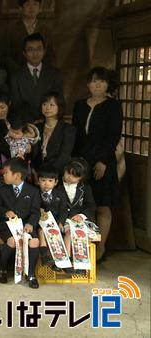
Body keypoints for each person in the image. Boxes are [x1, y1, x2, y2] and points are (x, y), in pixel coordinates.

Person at [72, 67, 121, 261]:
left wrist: (102, 161)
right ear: (88, 84)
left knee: (103, 205)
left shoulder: (113, 106)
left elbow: (113, 136)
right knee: (82, 205)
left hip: (103, 162)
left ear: (107, 84)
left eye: (101, 81)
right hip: (81, 162)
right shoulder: (79, 105)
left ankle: (100, 249)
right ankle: (82, 249)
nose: (97, 84)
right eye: (93, 81)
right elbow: (75, 134)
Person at [0, 158, 41, 288]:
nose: (3, 175)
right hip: (7, 226)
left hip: (26, 226)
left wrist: (31, 223)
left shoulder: (33, 191)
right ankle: (2, 269)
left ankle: (31, 274)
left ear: (17, 175)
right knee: (12, 241)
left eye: (6, 172)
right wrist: (5, 212)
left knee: (34, 241)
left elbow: (35, 212)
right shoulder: (2, 189)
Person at [10, 33, 64, 123]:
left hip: (49, 123)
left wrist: (45, 120)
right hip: (26, 125)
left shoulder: (55, 74)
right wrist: (31, 122)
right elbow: (16, 105)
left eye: (39, 49)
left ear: (44, 51)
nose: (35, 53)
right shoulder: (16, 76)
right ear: (24, 53)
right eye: (30, 49)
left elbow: (60, 102)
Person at [56, 158, 97, 269]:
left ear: (81, 177)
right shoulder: (55, 184)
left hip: (80, 221)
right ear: (64, 170)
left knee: (73, 232)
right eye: (68, 173)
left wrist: (81, 215)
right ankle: (66, 261)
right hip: (63, 220)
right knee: (67, 232)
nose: (70, 177)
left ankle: (73, 263)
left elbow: (91, 206)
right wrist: (59, 221)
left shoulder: (85, 188)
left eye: (75, 176)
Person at [3, 0, 55, 72]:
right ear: (21, 8)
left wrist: (40, 71)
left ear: (40, 8)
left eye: (35, 4)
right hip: (17, 74)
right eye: (28, 4)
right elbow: (6, 56)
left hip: (41, 74)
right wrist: (20, 72)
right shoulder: (11, 29)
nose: (32, 8)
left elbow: (50, 55)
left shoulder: (45, 30)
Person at [32, 91, 75, 175]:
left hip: (57, 174)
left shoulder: (68, 129)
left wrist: (46, 173)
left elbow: (64, 156)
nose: (47, 108)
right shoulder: (36, 127)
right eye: (44, 104)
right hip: (36, 173)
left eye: (52, 105)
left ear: (60, 107)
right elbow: (33, 154)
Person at [36, 165, 68, 271]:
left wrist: (60, 222)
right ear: (38, 181)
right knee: (41, 231)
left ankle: (58, 262)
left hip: (55, 223)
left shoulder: (60, 194)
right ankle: (45, 255)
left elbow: (63, 211)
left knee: (54, 232)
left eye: (50, 180)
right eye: (43, 180)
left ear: (56, 182)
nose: (46, 183)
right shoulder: (34, 193)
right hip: (39, 223)